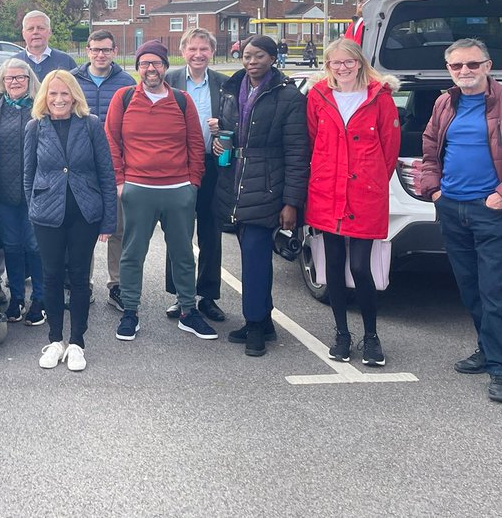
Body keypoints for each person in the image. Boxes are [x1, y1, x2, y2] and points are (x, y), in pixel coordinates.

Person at [417, 38, 502, 404]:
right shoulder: (444, 103)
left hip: (493, 212)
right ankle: (485, 348)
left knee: (495, 292)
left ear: (488, 65)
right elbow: (430, 149)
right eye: (456, 66)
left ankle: (499, 369)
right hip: (452, 209)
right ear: (448, 70)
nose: (464, 71)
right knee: (469, 288)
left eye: (472, 65)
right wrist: (434, 190)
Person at [105, 40, 211, 343]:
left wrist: (193, 184)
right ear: (138, 68)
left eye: (156, 63)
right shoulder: (123, 98)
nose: (151, 69)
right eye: (144, 64)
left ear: (165, 66)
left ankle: (189, 312)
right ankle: (131, 312)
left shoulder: (181, 100)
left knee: (183, 254)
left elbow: (195, 144)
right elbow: (112, 141)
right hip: (138, 189)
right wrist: (121, 182)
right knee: (132, 253)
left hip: (178, 190)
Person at [212, 35, 309, 357]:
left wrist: (291, 202)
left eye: (259, 56)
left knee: (254, 260)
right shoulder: (231, 89)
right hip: (234, 183)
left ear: (272, 58)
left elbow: (297, 152)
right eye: (246, 56)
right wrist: (218, 138)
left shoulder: (288, 96)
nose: (251, 62)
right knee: (252, 258)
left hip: (268, 185)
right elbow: (227, 131)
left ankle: (254, 326)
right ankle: (265, 320)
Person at [305, 39, 400, 366]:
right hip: (326, 191)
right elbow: (313, 138)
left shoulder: (380, 98)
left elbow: (390, 150)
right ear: (328, 66)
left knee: (360, 266)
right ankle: (341, 333)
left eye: (348, 62)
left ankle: (371, 334)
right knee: (332, 264)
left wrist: (371, 181)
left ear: (359, 63)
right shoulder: (318, 97)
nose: (342, 68)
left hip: (364, 194)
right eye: (336, 63)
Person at [24, 71, 116, 371]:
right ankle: (55, 340)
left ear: (75, 95)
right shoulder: (35, 127)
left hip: (84, 213)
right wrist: (35, 208)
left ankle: (77, 342)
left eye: (65, 94)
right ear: (44, 97)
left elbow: (106, 173)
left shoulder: (90, 125)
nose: (59, 99)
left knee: (78, 278)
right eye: (53, 94)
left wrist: (107, 222)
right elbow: (29, 175)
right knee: (51, 277)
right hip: (47, 214)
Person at [163, 29, 229, 323]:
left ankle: (208, 296)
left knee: (210, 233)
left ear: (211, 52)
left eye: (204, 49)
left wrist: (223, 126)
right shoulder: (170, 81)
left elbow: (237, 123)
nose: (198, 54)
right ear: (183, 51)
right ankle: (181, 295)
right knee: (178, 232)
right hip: (178, 167)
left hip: (212, 166)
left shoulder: (224, 85)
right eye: (193, 49)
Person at [0, 58, 45, 325]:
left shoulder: (41, 108)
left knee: (35, 247)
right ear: (2, 82)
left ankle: (40, 299)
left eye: (20, 78)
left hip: (36, 192)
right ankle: (17, 298)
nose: (14, 82)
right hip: (3, 192)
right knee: (13, 247)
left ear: (29, 81)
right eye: (9, 78)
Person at [70, 29, 134, 311]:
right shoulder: (73, 80)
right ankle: (82, 284)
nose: (100, 55)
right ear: (87, 51)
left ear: (115, 51)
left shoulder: (127, 82)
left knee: (118, 228)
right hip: (81, 166)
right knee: (81, 229)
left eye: (106, 50)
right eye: (95, 49)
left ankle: (117, 285)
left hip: (115, 166)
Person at [17, 10, 77, 82]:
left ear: (49, 32)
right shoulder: (14, 63)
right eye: (30, 29)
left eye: (40, 28)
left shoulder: (66, 61)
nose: (35, 32)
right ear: (23, 34)